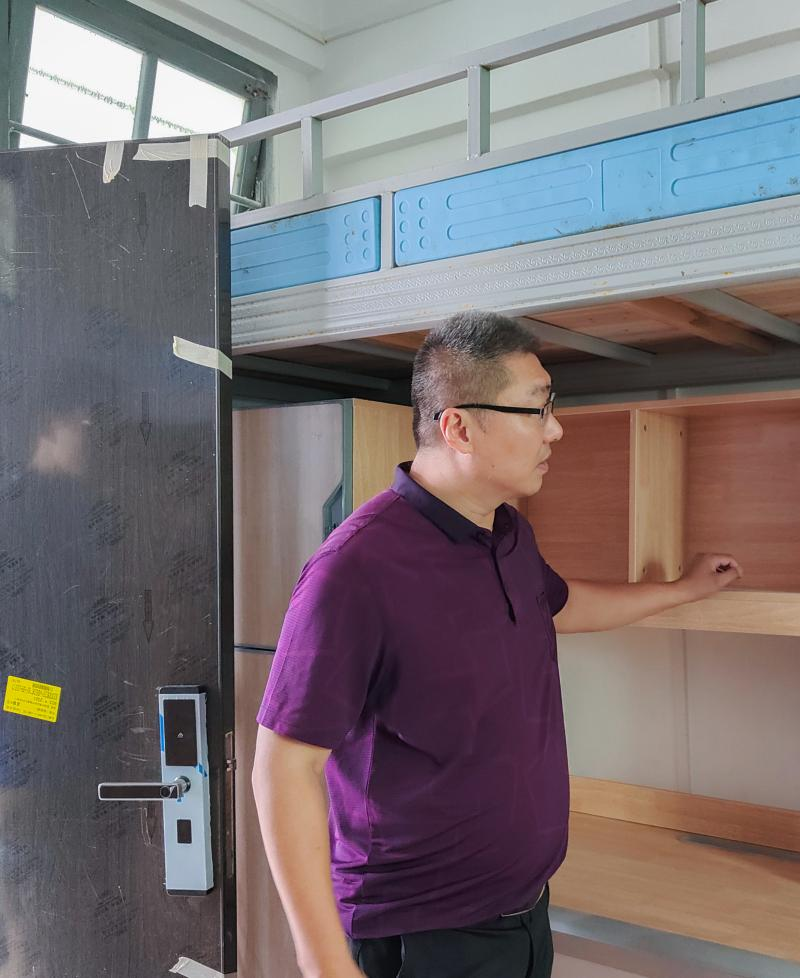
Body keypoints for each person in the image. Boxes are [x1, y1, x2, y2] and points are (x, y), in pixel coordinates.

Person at [252, 311, 742, 978]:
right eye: (537, 410)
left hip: (523, 916)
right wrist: (325, 967)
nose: (555, 429)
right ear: (459, 427)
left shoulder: (508, 533)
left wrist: (682, 590)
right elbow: (283, 768)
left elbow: (558, 605)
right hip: (423, 936)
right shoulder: (356, 570)